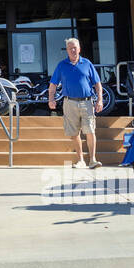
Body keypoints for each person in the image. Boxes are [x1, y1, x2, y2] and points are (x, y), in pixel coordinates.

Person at [49, 37, 103, 169]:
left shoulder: (87, 63)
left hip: (87, 102)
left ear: (79, 49)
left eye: (75, 47)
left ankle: (92, 160)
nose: (73, 50)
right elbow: (53, 84)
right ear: (67, 50)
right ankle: (81, 161)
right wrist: (51, 98)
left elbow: (97, 84)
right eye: (70, 48)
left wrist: (100, 100)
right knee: (74, 134)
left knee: (90, 131)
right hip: (69, 103)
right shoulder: (62, 65)